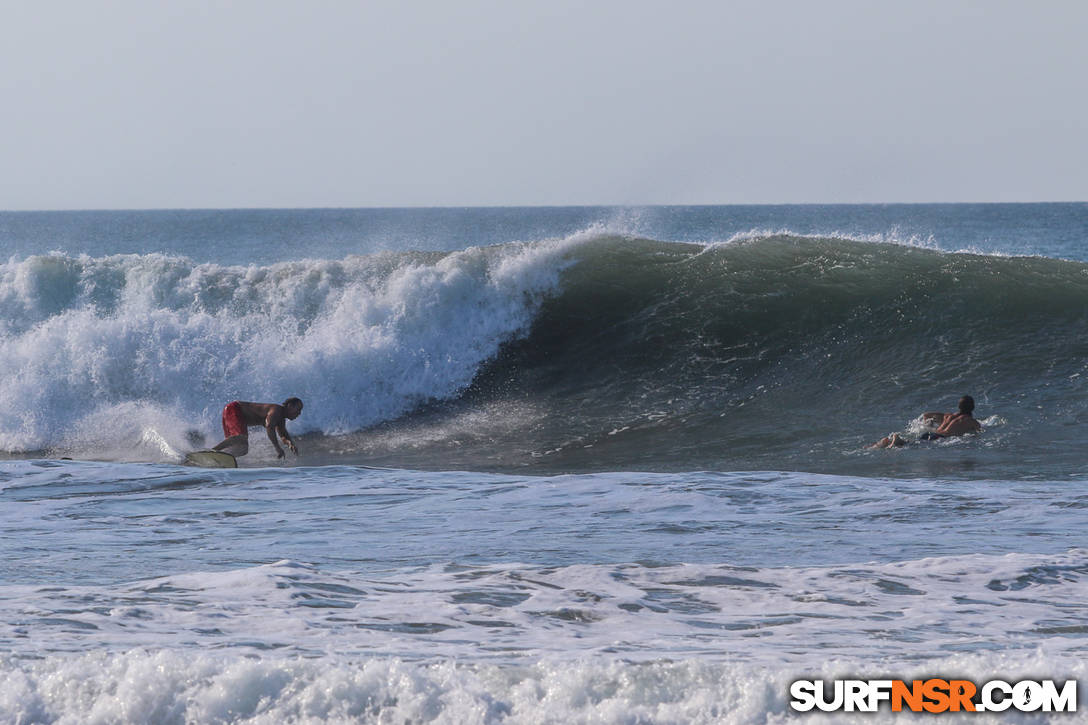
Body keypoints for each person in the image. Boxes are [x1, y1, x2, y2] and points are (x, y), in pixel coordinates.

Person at [870, 395, 981, 448]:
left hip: (931, 433)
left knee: (912, 443)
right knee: (912, 446)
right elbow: (979, 432)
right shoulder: (970, 421)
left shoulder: (948, 416)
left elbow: (926, 415)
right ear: (972, 407)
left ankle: (885, 442)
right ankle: (896, 440)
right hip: (940, 438)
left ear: (959, 406)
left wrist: (930, 424)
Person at [213, 398, 303, 459]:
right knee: (241, 437)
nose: (299, 413)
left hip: (238, 417)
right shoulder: (276, 410)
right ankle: (213, 451)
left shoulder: (281, 419)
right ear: (290, 406)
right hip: (234, 409)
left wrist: (290, 443)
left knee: (243, 449)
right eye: (298, 409)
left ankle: (220, 457)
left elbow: (283, 435)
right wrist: (277, 447)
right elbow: (269, 427)